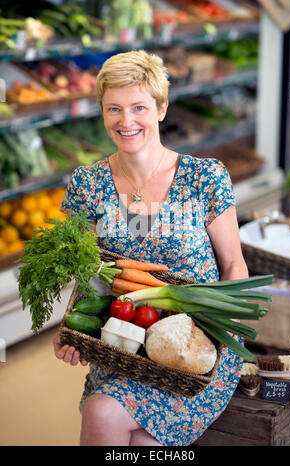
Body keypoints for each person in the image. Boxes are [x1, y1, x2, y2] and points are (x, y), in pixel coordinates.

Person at [53, 49, 249, 446]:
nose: (126, 122)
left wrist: (216, 333)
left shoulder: (204, 178)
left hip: (196, 347)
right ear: (102, 113)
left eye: (138, 107)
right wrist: (72, 326)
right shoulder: (88, 185)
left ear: (161, 108)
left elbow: (233, 266)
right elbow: (89, 273)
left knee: (103, 411)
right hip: (125, 338)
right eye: (114, 109)